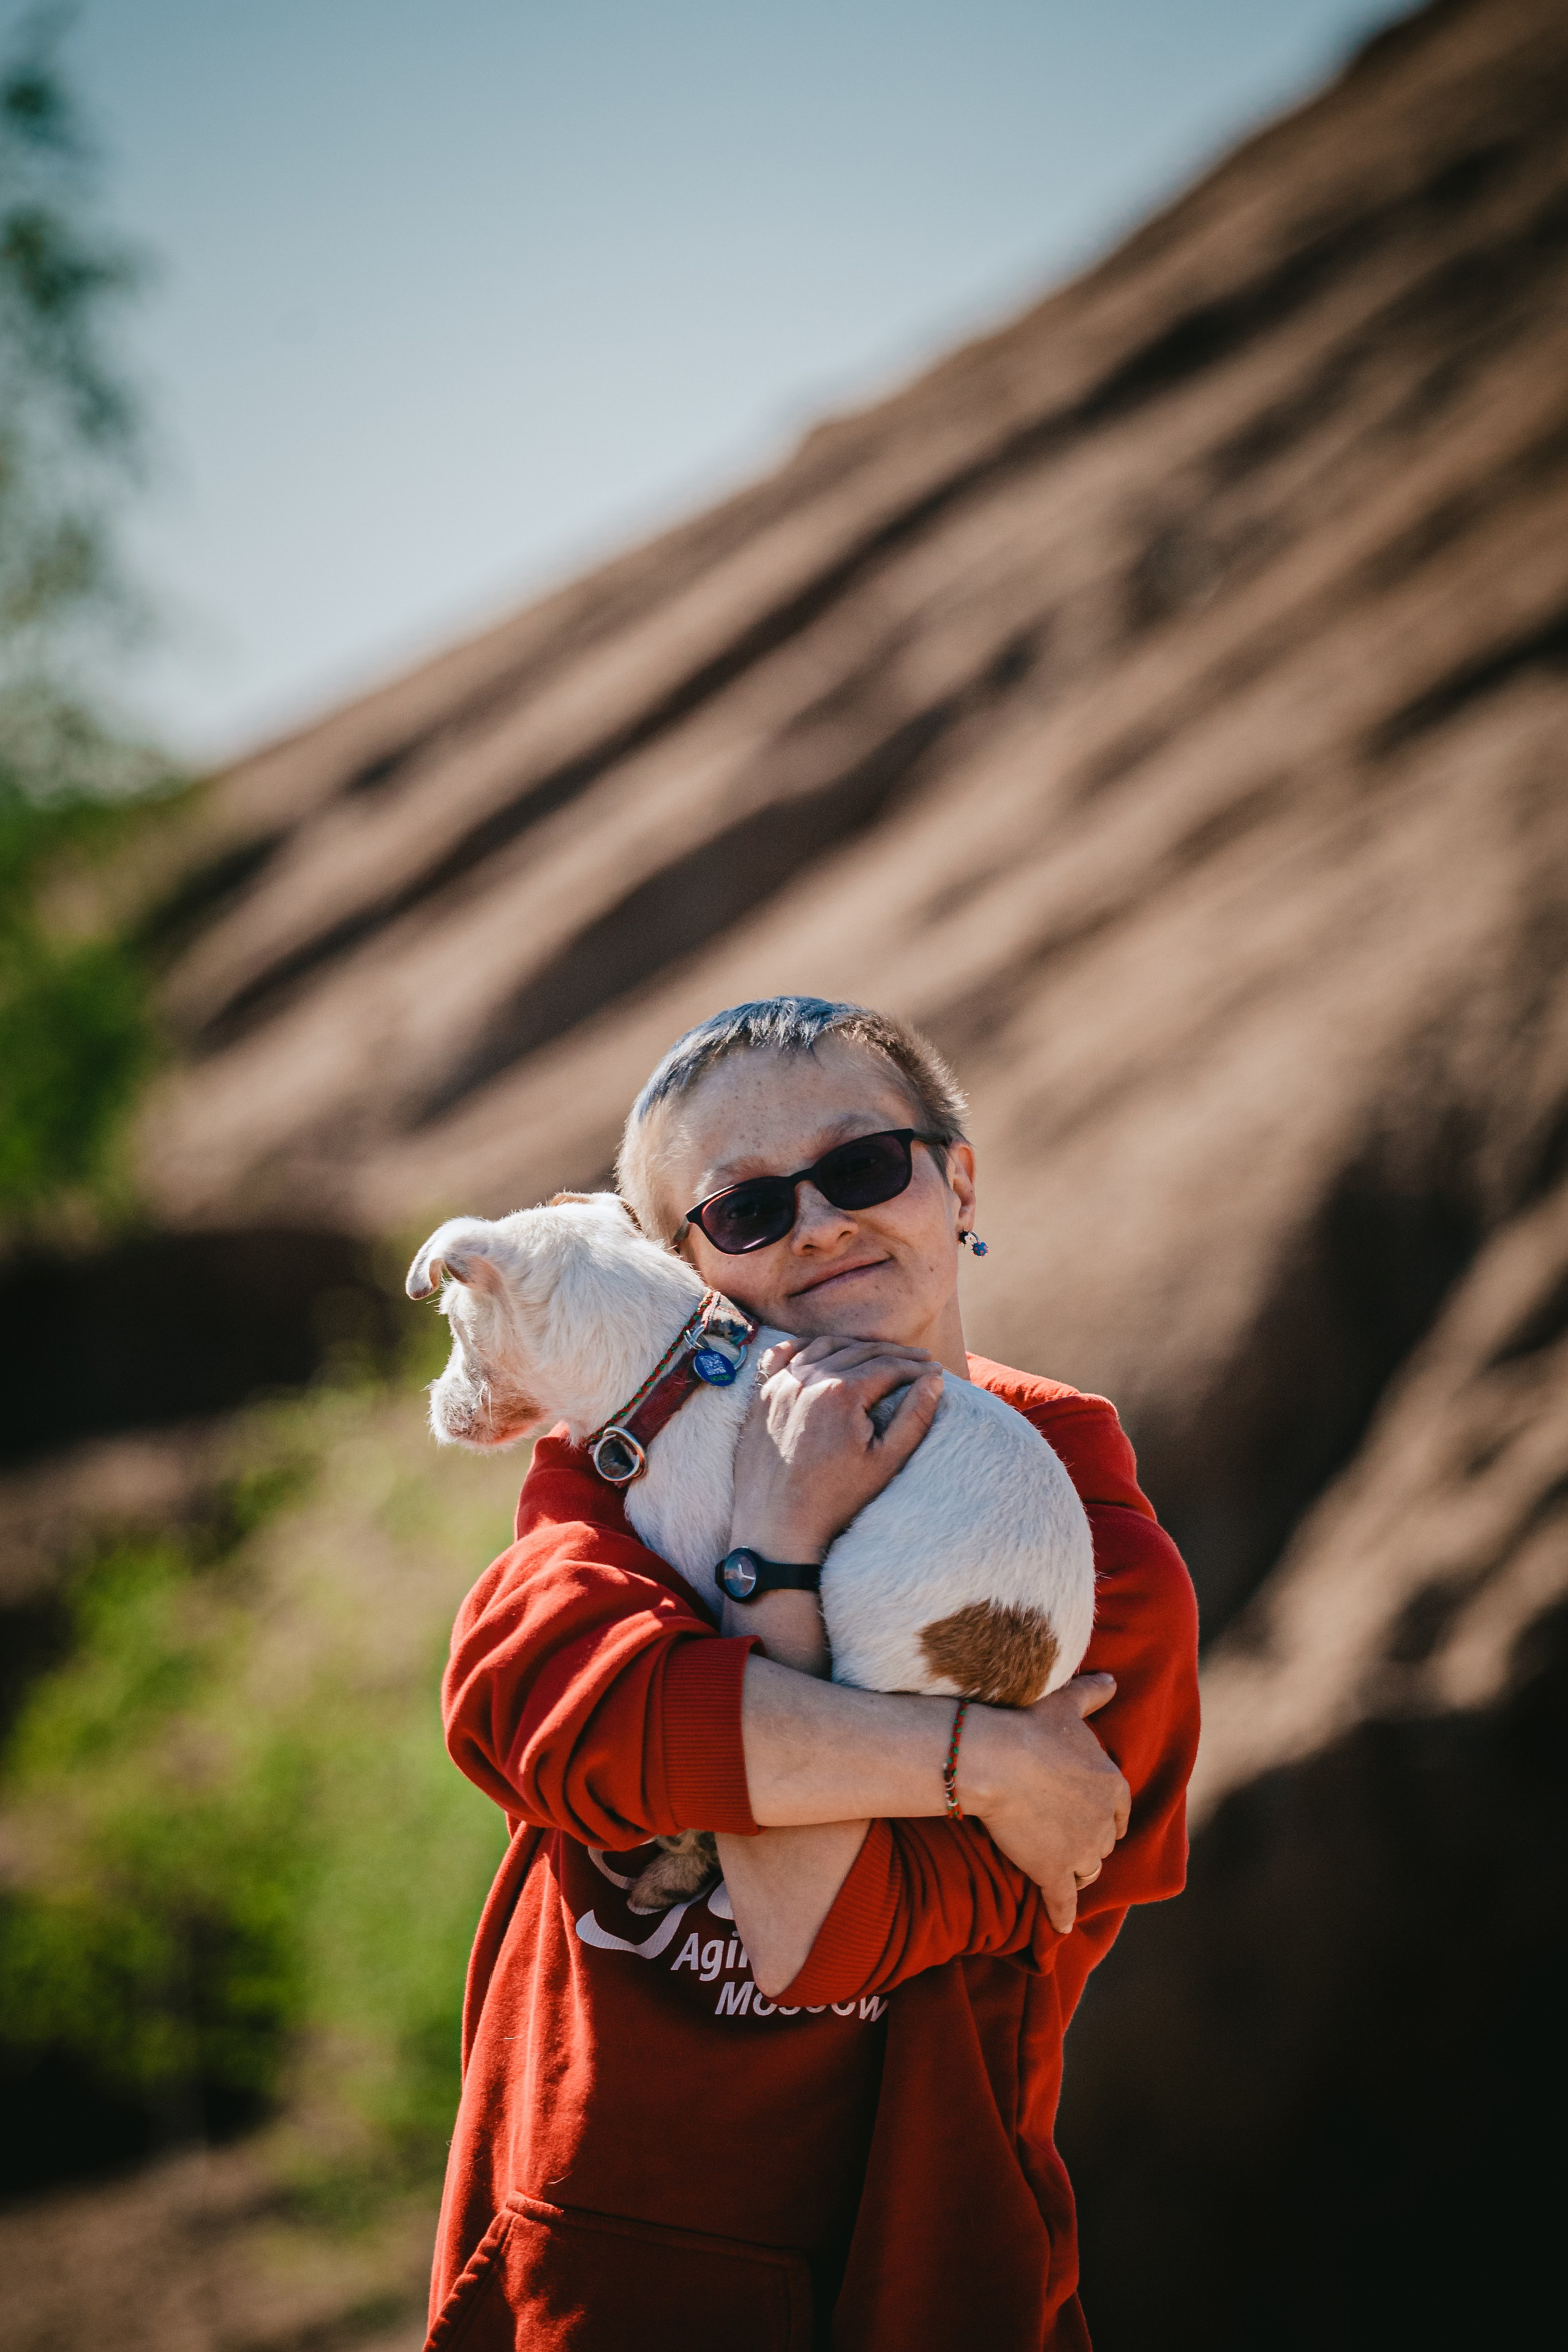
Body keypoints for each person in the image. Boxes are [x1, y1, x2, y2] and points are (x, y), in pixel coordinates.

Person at [425, 997, 1199, 2352]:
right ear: (682, 1273)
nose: (821, 1225)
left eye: (861, 1168)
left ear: (955, 1182)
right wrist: (984, 1759)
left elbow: (815, 1933)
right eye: (744, 1210)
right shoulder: (620, 1471)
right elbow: (523, 1711)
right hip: (572, 2299)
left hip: (908, 2288)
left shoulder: (1092, 1569)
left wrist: (757, 1623)